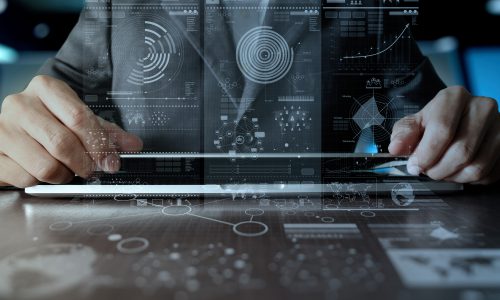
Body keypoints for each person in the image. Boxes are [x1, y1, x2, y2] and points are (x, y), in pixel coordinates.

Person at [0, 1, 498, 188]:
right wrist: (12, 145)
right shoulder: (117, 6)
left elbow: (444, 142)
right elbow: (39, 122)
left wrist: (475, 147)